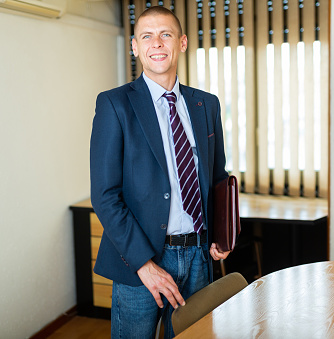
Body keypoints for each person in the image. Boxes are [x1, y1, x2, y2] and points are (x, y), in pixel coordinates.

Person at [90, 6, 231, 338]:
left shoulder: (206, 104)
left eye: (165, 34)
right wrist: (144, 264)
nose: (157, 43)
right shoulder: (114, 104)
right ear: (136, 47)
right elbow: (106, 196)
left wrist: (224, 234)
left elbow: (218, 176)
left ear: (181, 43)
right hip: (141, 261)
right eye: (147, 36)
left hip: (199, 256)